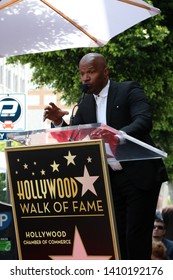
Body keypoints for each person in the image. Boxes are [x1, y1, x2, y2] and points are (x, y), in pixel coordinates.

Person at [43, 52, 168, 260]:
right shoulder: (84, 104)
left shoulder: (128, 89)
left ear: (106, 72)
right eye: (82, 74)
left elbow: (144, 120)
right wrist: (58, 123)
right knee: (116, 238)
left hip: (139, 176)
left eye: (90, 72)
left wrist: (117, 136)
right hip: (110, 179)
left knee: (134, 237)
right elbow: (74, 138)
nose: (85, 78)